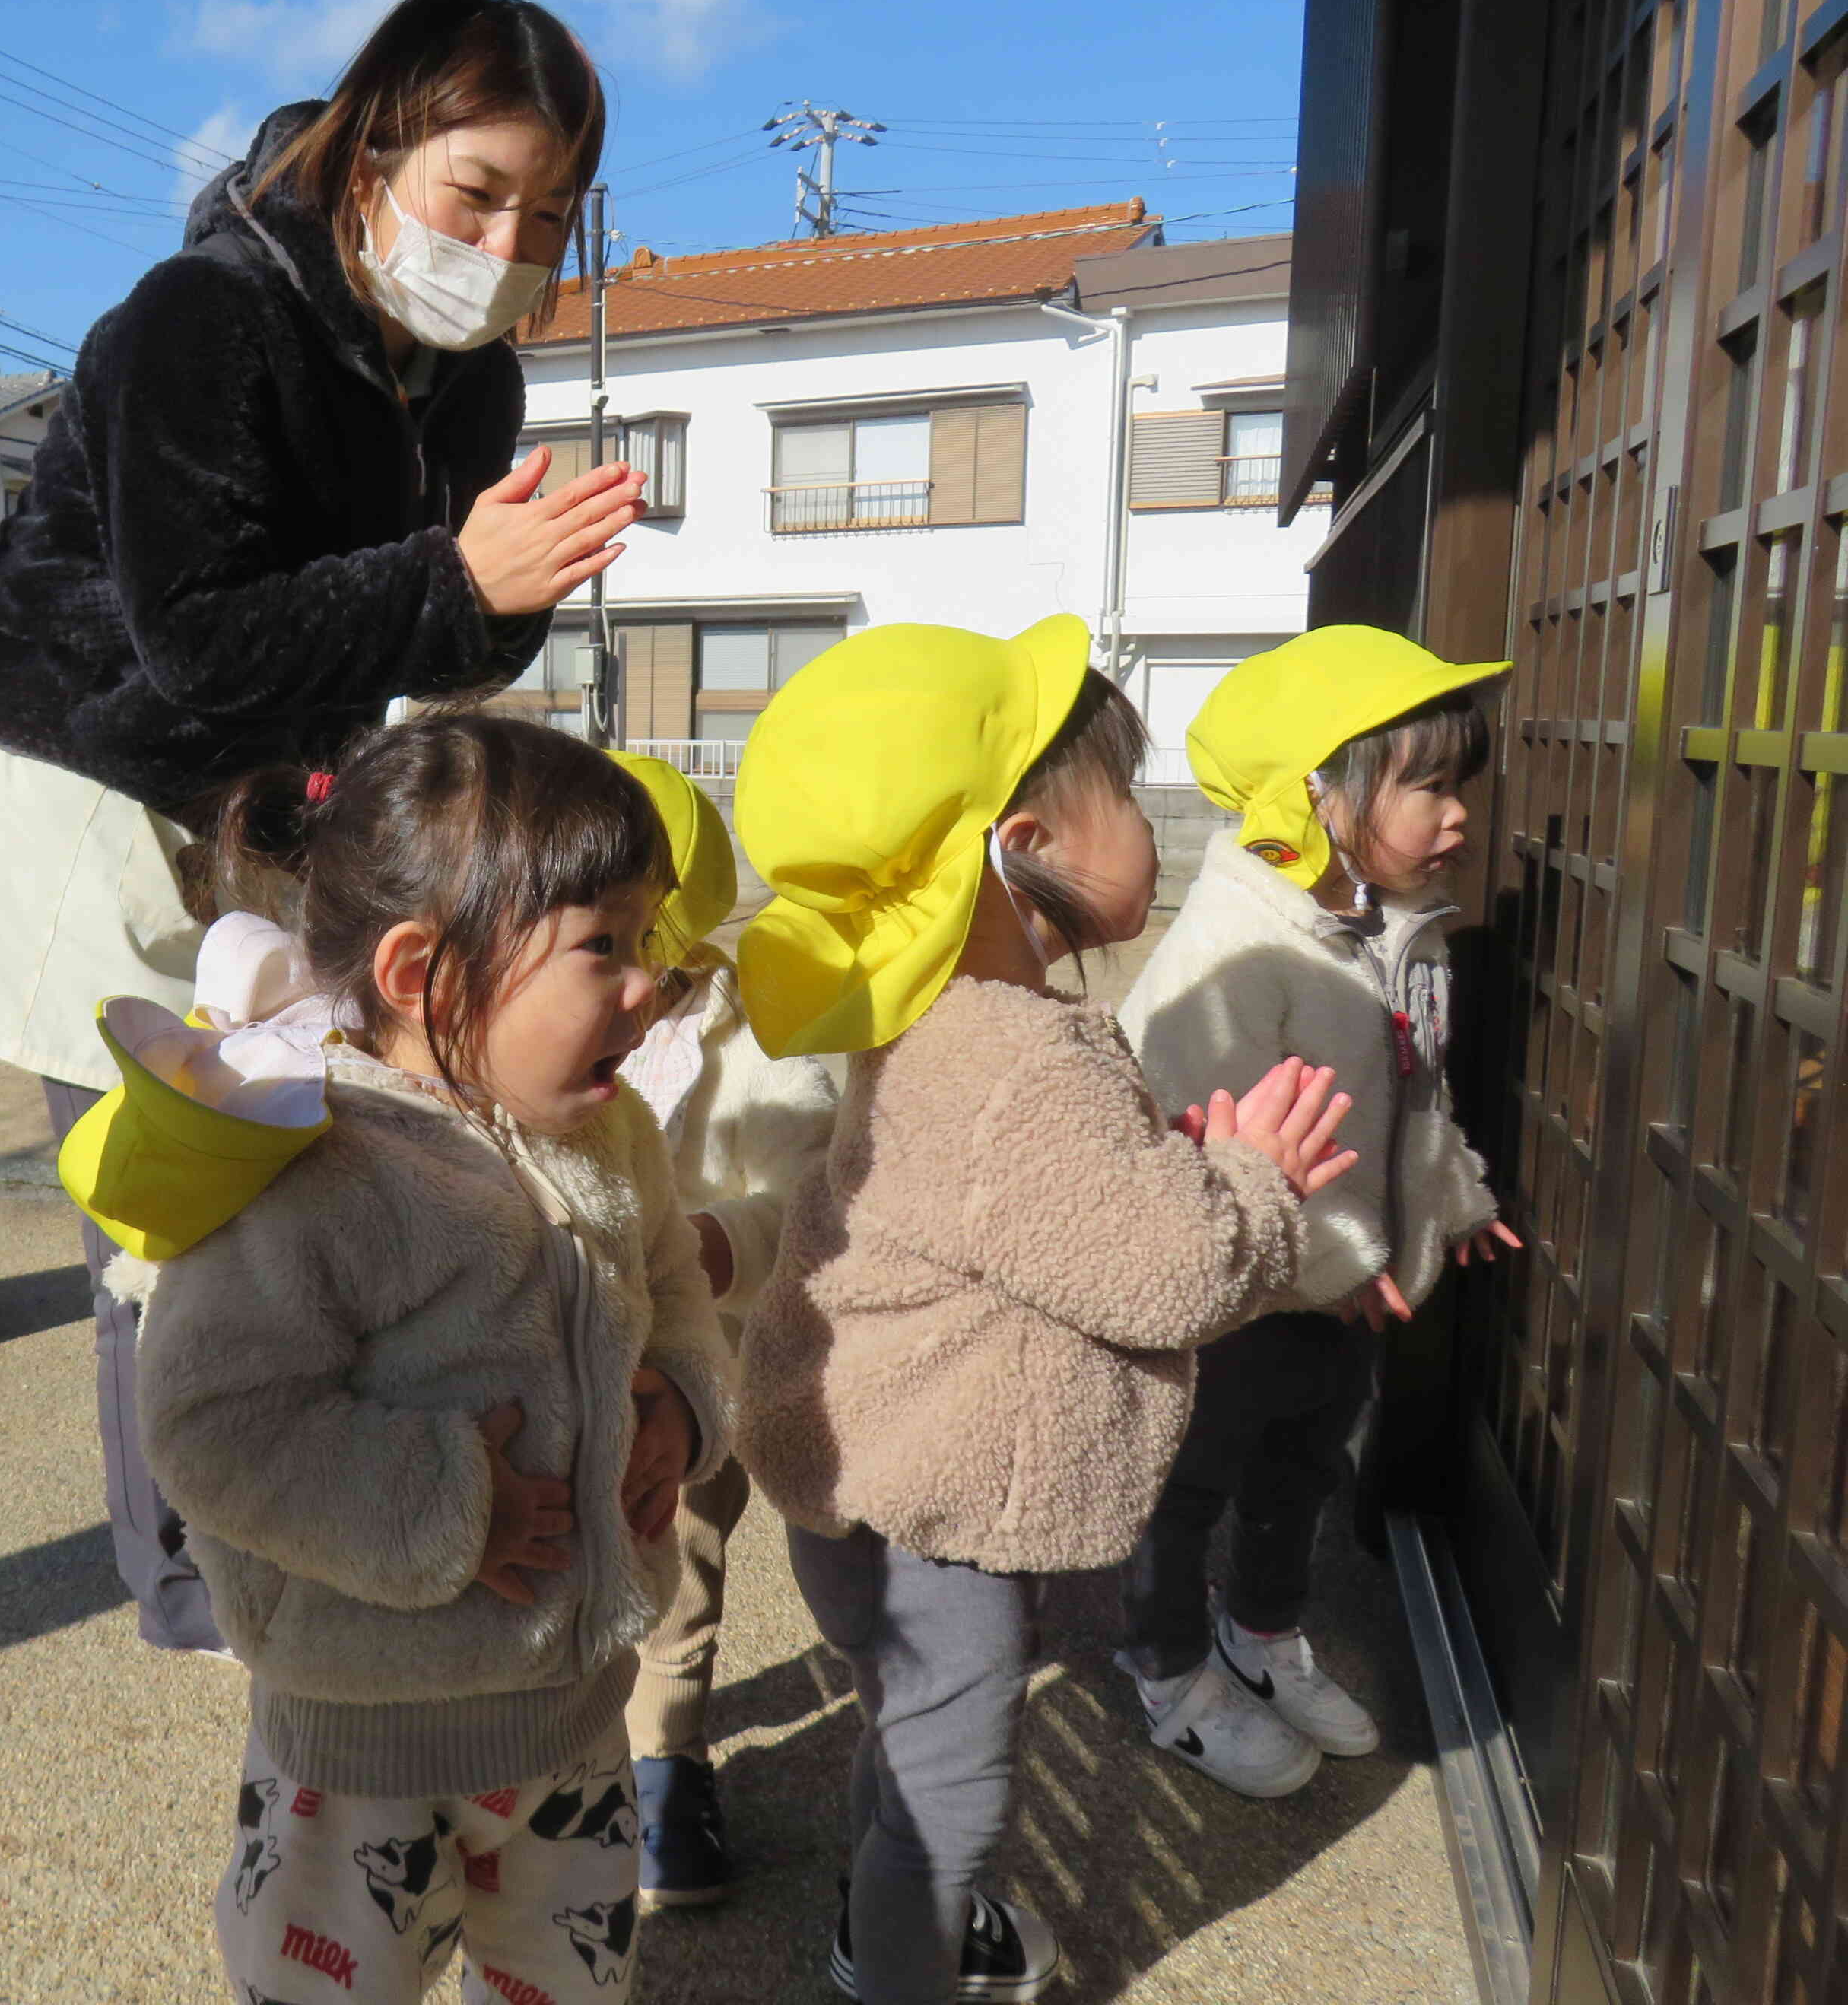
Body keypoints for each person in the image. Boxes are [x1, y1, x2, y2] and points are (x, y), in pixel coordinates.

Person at [0, 0, 640, 1656]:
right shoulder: (200, 323)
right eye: (478, 192)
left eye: (549, 215)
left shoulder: (469, 379)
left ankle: (278, 1506)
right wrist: (450, 577)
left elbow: (442, 638)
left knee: (281, 1168)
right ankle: (197, 1583)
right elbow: (193, 639)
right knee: (172, 1204)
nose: (511, 245)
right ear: (371, 160)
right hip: (82, 790)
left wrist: (501, 594)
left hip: (256, 802)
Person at [731, 615, 1360, 2005]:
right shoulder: (1019, 1055)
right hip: (931, 1524)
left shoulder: (940, 1018)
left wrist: (1170, 1174)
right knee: (955, 1797)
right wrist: (1251, 1188)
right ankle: (904, 1964)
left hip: (872, 1484)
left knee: (909, 1750)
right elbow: (1171, 1277)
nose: (1148, 822)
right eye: (1127, 797)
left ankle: (880, 1918)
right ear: (1029, 845)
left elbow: (1057, 1226)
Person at [103, 715, 733, 2005]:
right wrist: (453, 1504)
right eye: (602, 947)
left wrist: (677, 1395)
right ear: (420, 972)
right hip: (361, 1736)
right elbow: (212, 1418)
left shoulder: (614, 1140)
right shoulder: (320, 1175)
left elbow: (666, 1277)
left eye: (651, 941)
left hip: (569, 1715)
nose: (649, 986)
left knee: (571, 1980)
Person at [1113, 627, 1516, 1797]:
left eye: (1459, 786)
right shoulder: (1232, 951)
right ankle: (1169, 1668)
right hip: (1237, 1300)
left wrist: (1457, 1198)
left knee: (1303, 1470)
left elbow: (1415, 1106)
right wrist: (1336, 1264)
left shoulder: (1400, 929)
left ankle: (1262, 1632)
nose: (1457, 818)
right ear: (1321, 798)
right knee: (1183, 1488)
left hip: (1343, 1296)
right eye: (1428, 785)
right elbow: (1185, 1145)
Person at [603, 751, 840, 1908]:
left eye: (620, 937)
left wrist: (715, 1244)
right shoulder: (506, 1017)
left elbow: (804, 1191)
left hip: (693, 1371)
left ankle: (666, 1767)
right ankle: (555, 1748)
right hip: (551, 1364)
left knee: (680, 1568)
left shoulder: (756, 1041)